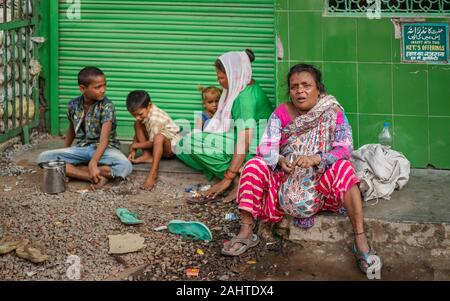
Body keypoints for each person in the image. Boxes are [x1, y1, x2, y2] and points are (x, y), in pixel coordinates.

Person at [222, 63, 381, 275]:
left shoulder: (332, 112)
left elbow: (344, 147)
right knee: (254, 163)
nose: (300, 91)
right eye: (294, 86)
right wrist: (279, 160)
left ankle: (360, 240)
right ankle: (246, 230)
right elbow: (266, 146)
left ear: (319, 89)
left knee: (344, 168)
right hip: (285, 179)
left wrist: (317, 159)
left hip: (320, 181)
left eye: (306, 85)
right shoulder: (282, 112)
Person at [176, 49, 273, 202]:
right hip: (243, 137)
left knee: (189, 143)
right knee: (181, 146)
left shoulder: (244, 99)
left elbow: (244, 141)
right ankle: (239, 172)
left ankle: (238, 180)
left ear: (234, 75)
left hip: (255, 147)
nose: (218, 81)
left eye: (221, 77)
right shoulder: (245, 84)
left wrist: (227, 178)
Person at [37, 67, 132, 189]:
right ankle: (93, 177)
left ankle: (76, 170)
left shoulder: (107, 106)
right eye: (98, 87)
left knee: (125, 166)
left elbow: (104, 140)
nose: (103, 90)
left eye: (104, 85)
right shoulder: (73, 105)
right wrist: (65, 152)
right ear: (82, 88)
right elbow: (71, 129)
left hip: (105, 150)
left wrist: (93, 163)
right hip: (82, 148)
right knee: (44, 158)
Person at [126, 90, 181, 190]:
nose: (137, 117)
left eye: (140, 114)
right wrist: (133, 148)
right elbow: (138, 134)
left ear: (149, 106)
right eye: (134, 115)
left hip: (170, 148)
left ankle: (153, 173)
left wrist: (135, 146)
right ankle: (147, 156)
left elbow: (153, 143)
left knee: (158, 137)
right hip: (156, 143)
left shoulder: (155, 119)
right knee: (137, 123)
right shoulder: (144, 114)